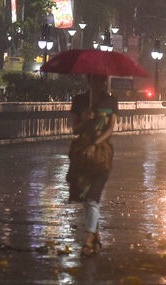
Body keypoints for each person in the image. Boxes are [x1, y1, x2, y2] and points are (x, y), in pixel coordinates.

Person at [67, 74, 118, 256]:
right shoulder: (80, 100)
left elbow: (111, 128)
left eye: (101, 80)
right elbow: (74, 129)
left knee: (93, 197)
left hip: (101, 156)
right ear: (89, 81)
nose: (99, 84)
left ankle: (88, 238)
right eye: (95, 80)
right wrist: (85, 120)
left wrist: (95, 144)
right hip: (81, 155)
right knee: (85, 197)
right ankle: (95, 234)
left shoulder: (110, 101)